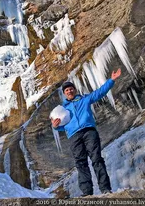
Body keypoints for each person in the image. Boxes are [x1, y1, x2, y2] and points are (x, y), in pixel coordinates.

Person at [52, 68, 122, 196]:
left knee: (97, 159)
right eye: (66, 90)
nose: (69, 91)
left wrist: (111, 80)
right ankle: (87, 193)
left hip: (89, 131)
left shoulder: (85, 99)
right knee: (80, 163)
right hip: (74, 136)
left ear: (75, 90)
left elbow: (99, 92)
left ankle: (105, 188)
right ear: (64, 94)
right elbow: (63, 126)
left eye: (71, 88)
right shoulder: (62, 109)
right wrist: (56, 127)